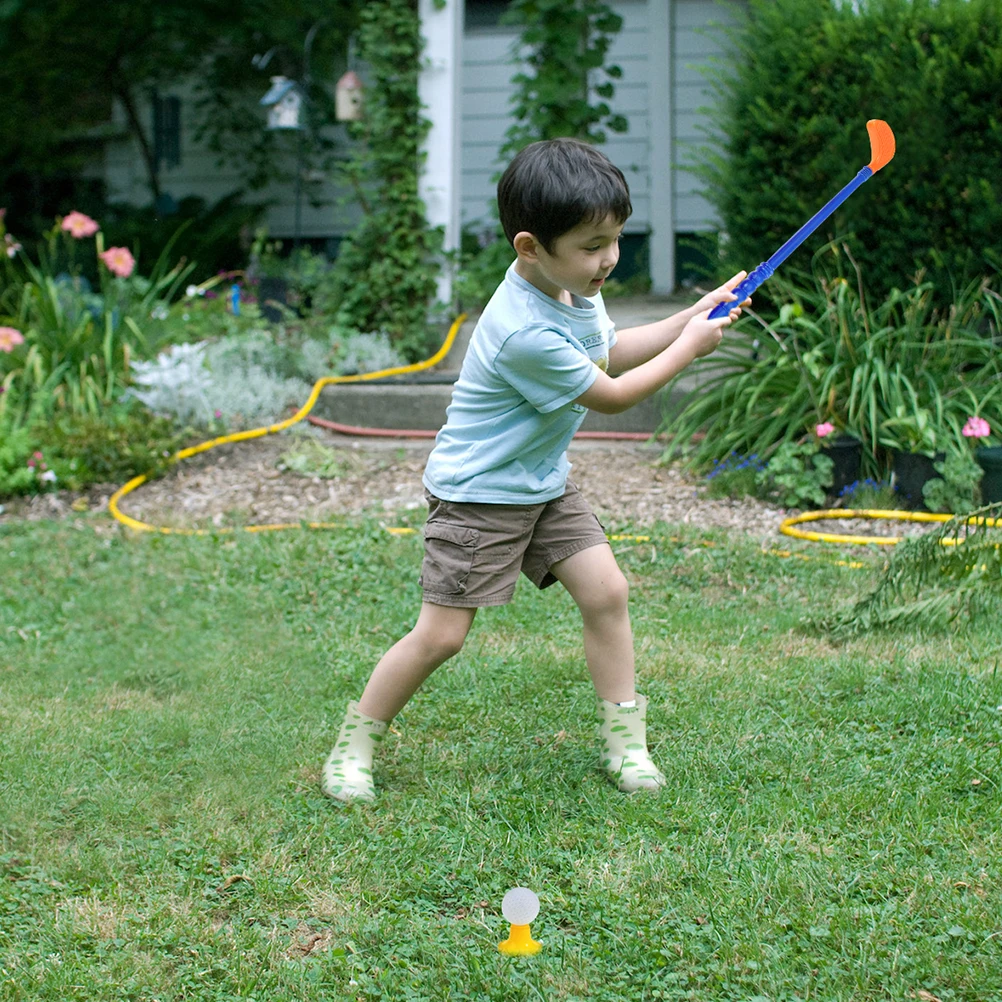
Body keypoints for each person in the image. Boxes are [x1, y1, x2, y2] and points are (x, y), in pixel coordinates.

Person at [322, 137, 746, 803]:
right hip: (480, 496)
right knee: (442, 636)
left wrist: (693, 315)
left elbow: (612, 349)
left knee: (607, 592)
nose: (608, 258)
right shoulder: (524, 328)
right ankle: (355, 744)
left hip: (541, 482)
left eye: (614, 238)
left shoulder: (573, 289)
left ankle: (626, 746)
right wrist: (692, 348)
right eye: (590, 243)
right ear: (530, 247)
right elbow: (610, 395)